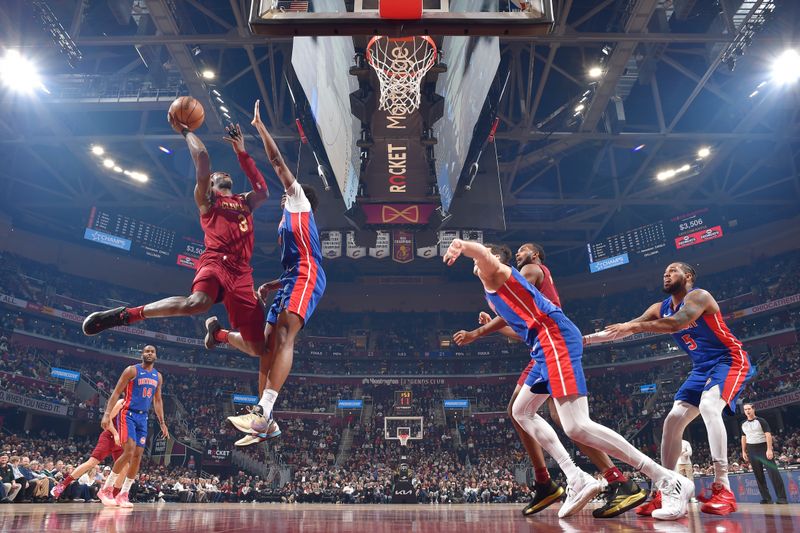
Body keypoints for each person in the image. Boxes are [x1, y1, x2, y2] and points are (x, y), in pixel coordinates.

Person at [443, 239, 693, 520]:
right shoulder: (495, 292)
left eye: (483, 260)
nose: (478, 265)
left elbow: (484, 256)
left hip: (554, 339)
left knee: (575, 425)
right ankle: (576, 477)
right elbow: (517, 325)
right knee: (520, 411)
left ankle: (666, 479)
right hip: (541, 346)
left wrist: (463, 245)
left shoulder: (500, 273)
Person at [81, 109, 270, 362]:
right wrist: (185, 130)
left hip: (243, 273)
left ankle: (218, 335)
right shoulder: (208, 201)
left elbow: (263, 191)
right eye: (215, 176)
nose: (221, 173)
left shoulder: (245, 201)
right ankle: (128, 315)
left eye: (224, 173)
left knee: (258, 348)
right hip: (216, 261)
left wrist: (242, 153)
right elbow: (202, 158)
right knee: (197, 304)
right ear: (211, 185)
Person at [600, 262, 755, 516]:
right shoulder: (658, 308)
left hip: (728, 359)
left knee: (708, 406)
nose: (666, 273)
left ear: (689, 276)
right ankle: (664, 490)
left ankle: (723, 488)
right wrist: (586, 339)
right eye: (664, 271)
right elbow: (626, 328)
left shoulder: (699, 296)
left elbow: (676, 323)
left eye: (673, 270)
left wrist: (633, 326)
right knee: (672, 422)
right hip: (701, 368)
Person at [219, 100, 326, 446]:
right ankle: (265, 421)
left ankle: (264, 411)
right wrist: (274, 283)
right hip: (292, 277)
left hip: (307, 276)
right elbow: (296, 258)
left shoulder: (298, 201)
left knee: (283, 336)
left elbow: (277, 161)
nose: (283, 192)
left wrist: (258, 127)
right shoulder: (287, 219)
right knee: (265, 346)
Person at [96, 345, 168, 508]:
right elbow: (115, 392)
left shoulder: (158, 376)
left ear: (156, 356)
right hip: (127, 413)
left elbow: (158, 400)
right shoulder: (131, 370)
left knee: (137, 456)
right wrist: (107, 414)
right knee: (128, 451)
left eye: (152, 352)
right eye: (147, 351)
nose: (149, 353)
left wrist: (162, 422)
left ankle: (124, 494)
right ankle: (106, 489)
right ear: (141, 354)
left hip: (143, 417)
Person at [51, 399, 129, 500]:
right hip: (109, 437)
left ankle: (114, 496)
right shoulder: (121, 402)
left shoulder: (137, 409)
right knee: (91, 463)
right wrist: (115, 434)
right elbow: (107, 420)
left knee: (125, 468)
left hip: (121, 442)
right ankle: (61, 485)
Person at [741, 403, 787, 504]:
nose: (747, 411)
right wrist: (744, 451)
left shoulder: (761, 421)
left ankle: (782, 498)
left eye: (749, 409)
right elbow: (744, 437)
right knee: (758, 475)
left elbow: (768, 435)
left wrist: (769, 449)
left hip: (763, 448)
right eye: (745, 409)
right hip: (752, 450)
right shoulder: (743, 424)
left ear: (753, 409)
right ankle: (766, 498)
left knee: (773, 473)